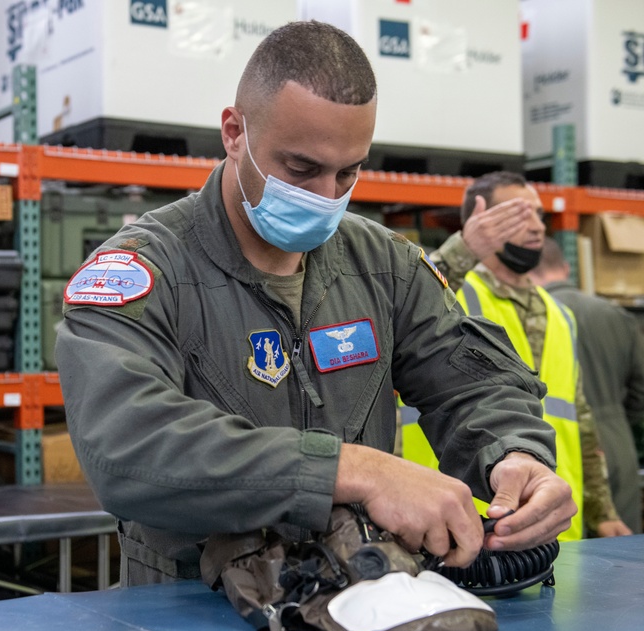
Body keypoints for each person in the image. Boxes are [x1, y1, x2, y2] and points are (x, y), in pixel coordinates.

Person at [55, 21, 575, 587]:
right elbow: (129, 447)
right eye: (301, 168)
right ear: (234, 132)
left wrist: (515, 455)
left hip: (360, 604)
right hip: (189, 614)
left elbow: (472, 380)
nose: (325, 197)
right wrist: (352, 471)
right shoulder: (142, 274)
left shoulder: (385, 265)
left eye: (347, 172)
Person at [402, 171, 631, 539]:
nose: (537, 226)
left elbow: (580, 417)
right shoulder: (451, 296)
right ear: (478, 219)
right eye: (518, 214)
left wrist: (602, 511)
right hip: (464, 518)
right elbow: (408, 298)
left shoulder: (560, 315)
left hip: (554, 524)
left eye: (539, 214)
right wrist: (464, 249)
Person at [530, 236, 644, 532]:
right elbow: (641, 393)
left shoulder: (530, 316)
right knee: (625, 556)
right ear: (566, 268)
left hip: (558, 446)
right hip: (617, 441)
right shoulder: (616, 315)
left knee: (570, 560)